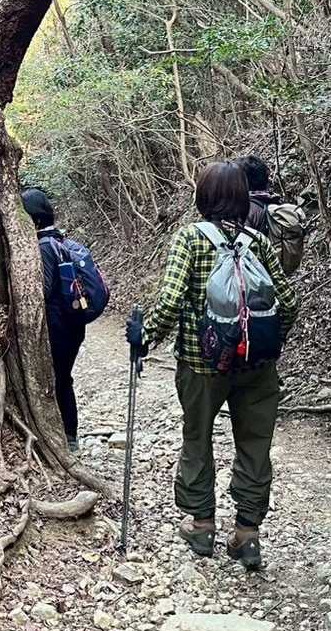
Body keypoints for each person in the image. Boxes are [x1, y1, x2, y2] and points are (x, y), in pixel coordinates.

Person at [127, 161, 299, 570]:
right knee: (255, 446)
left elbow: (170, 301)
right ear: (241, 197)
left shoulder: (190, 239)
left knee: (198, 438)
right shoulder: (259, 241)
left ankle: (202, 526)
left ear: (202, 197)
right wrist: (267, 343)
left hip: (201, 364)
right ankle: (247, 535)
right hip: (257, 366)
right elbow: (289, 302)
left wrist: (145, 336)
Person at [21, 187, 99, 453]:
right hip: (74, 325)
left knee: (59, 379)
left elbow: (42, 290)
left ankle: (67, 436)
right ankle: (69, 435)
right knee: (63, 378)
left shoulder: (44, 246)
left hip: (58, 327)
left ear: (35, 220)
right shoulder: (61, 241)